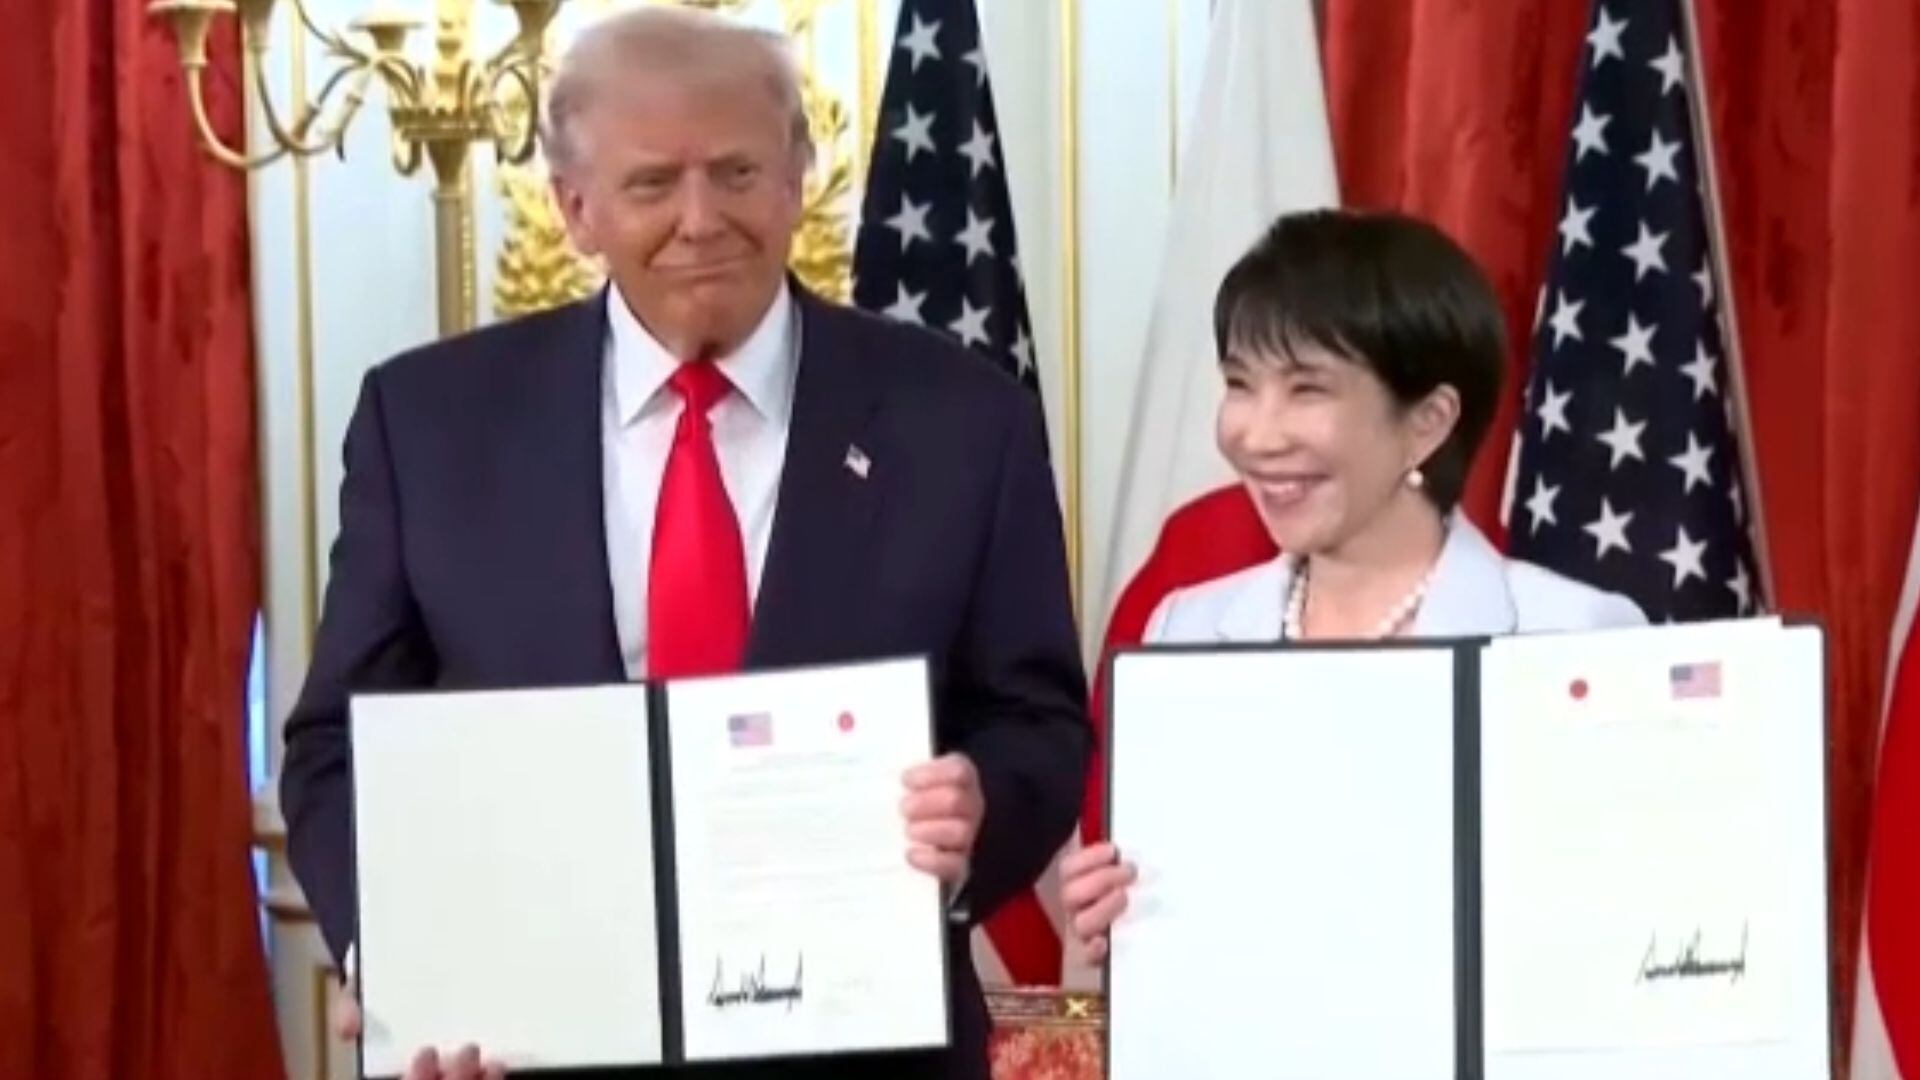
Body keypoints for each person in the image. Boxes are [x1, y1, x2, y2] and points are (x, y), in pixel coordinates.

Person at [278, 9, 1090, 1080]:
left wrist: (979, 809)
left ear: (797, 178)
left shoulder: (964, 421)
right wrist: (397, 954)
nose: (701, 220)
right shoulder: (428, 423)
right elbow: (337, 745)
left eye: (738, 172)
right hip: (530, 1050)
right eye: (654, 183)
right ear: (575, 207)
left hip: (862, 1050)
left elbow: (1038, 721)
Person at [1061, 208, 1646, 960]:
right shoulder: (1186, 628)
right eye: (1240, 383)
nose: (1257, 434)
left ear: (1428, 422)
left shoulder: (1573, 636)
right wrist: (1130, 915)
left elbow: (1625, 935)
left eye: (1307, 390)